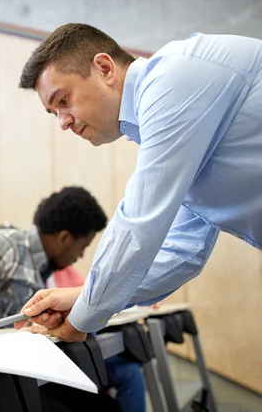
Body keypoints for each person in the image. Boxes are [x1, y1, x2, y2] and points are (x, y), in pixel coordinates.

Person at [16, 24, 262, 341]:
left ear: (104, 68)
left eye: (63, 100)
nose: (63, 122)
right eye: (54, 113)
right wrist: (83, 297)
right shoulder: (175, 121)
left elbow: (139, 222)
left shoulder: (173, 78)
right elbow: (183, 249)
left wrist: (81, 319)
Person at [0, 187, 146, 412]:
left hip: (27, 367)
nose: (79, 256)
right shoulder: (1, 245)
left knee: (106, 404)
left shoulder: (40, 265)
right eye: (83, 247)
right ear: (64, 238)